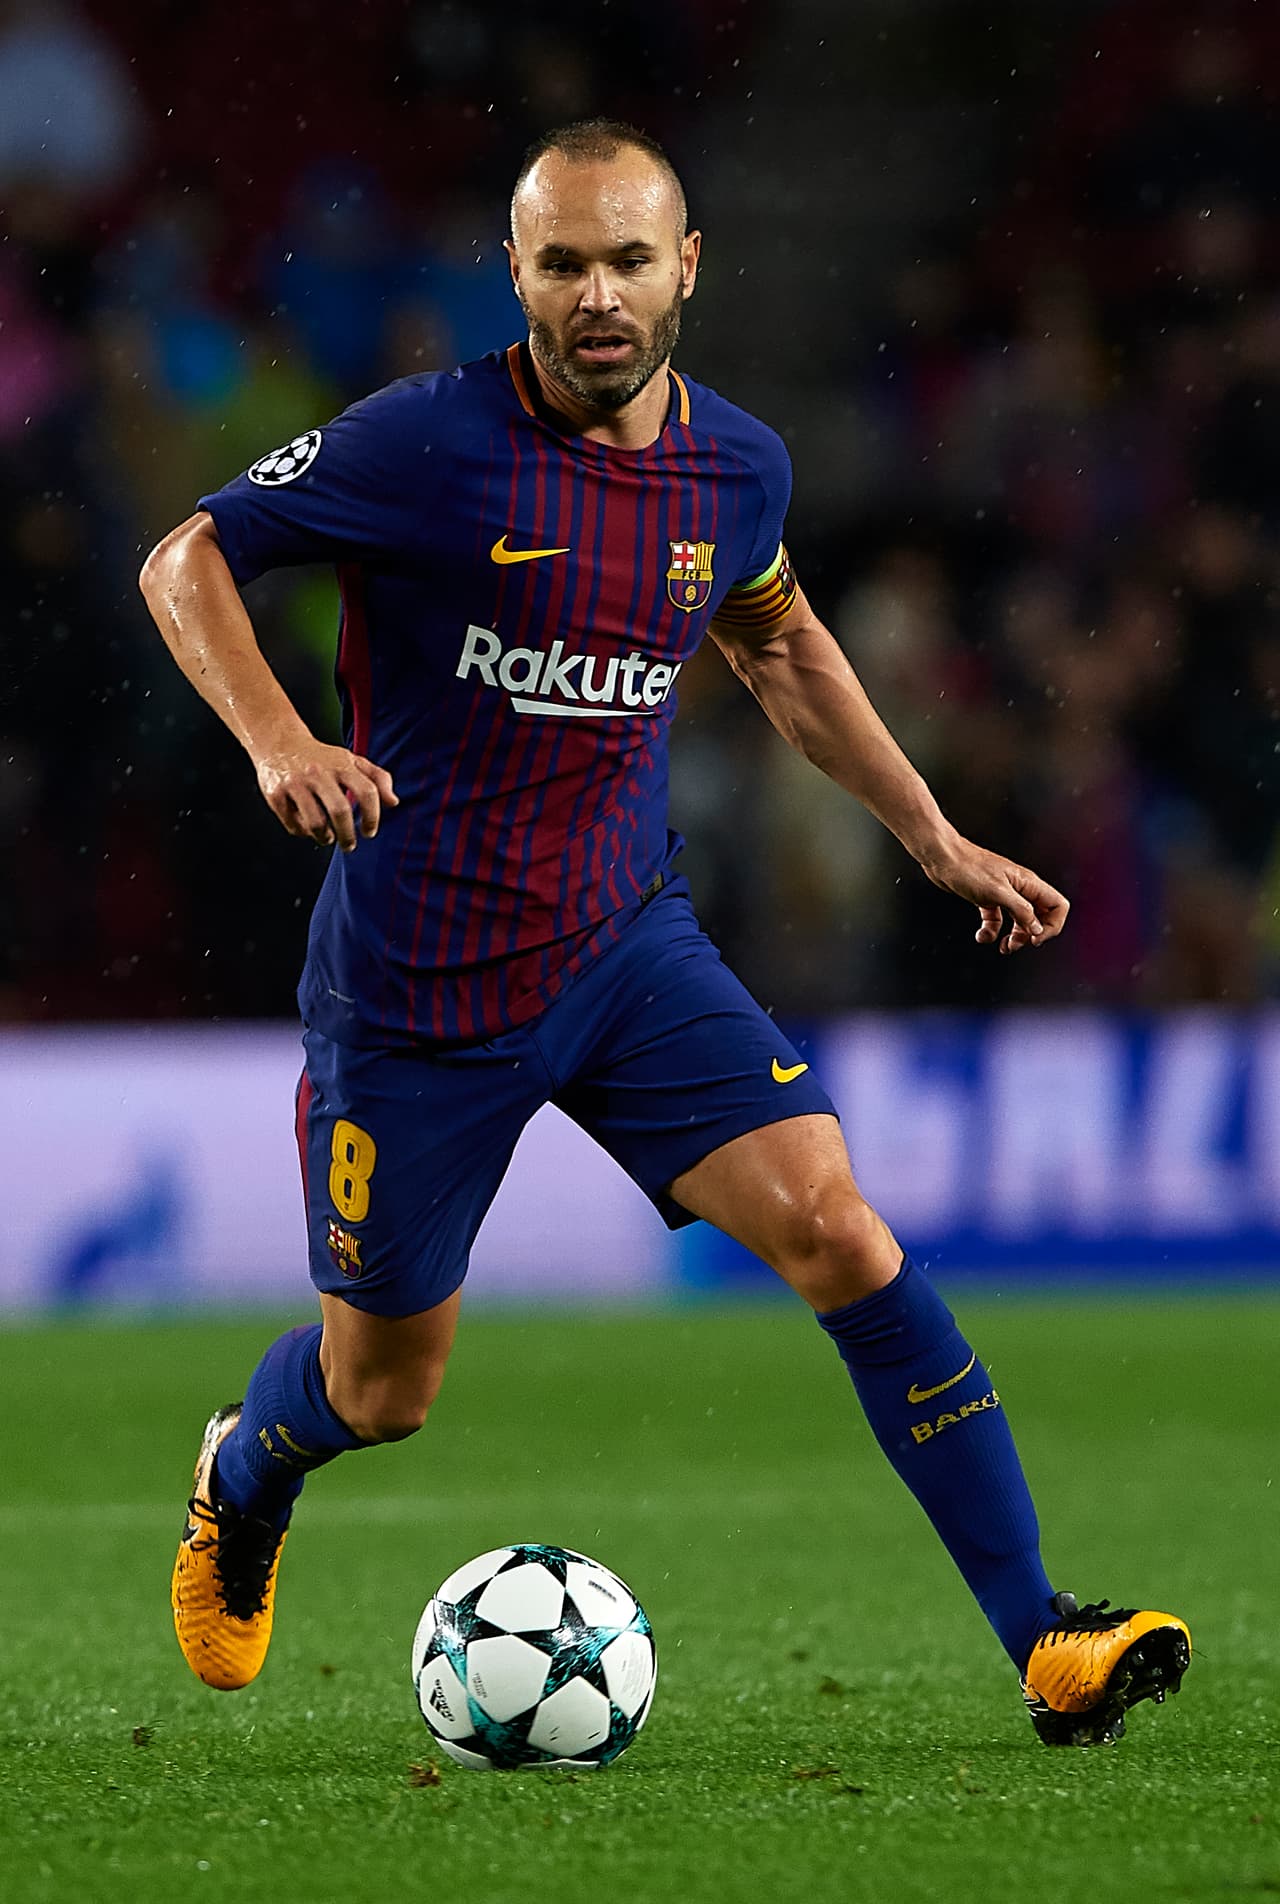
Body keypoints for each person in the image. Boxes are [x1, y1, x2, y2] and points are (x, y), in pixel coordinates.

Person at [140, 118, 1189, 1748]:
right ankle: (243, 1465)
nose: (598, 294)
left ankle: (1046, 1635)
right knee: (381, 1392)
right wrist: (283, 740)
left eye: (629, 258)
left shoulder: (739, 467)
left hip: (628, 952)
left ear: (686, 266)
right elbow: (186, 556)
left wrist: (930, 833)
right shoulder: (424, 445)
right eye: (562, 262)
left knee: (839, 1229)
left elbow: (780, 645)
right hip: (417, 996)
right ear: (517, 273)